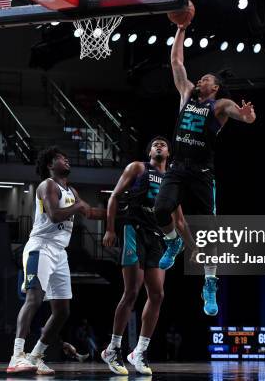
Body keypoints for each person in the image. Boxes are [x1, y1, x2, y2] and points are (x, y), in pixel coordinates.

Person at [153, 19, 256, 316]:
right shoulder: (186, 93)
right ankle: (173, 244)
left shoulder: (220, 105)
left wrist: (247, 116)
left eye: (206, 79)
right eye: (200, 79)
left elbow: (244, 118)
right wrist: (181, 29)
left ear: (217, 86)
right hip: (177, 168)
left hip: (200, 172)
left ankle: (210, 282)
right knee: (161, 210)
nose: (200, 81)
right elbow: (176, 61)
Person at [7, 147, 105, 375]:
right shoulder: (47, 185)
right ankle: (17, 356)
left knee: (62, 311)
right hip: (40, 246)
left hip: (60, 252)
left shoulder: (71, 190)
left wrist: (119, 211)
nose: (66, 159)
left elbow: (89, 212)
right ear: (51, 165)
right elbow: (53, 215)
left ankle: (36, 356)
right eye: (61, 158)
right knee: (34, 298)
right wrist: (78, 207)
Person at [100, 136, 190, 375]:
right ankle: (114, 348)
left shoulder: (173, 181)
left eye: (163, 144)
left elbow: (179, 220)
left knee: (158, 294)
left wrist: (193, 246)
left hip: (158, 238)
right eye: (154, 144)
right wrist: (110, 228)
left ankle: (139, 351)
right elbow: (114, 197)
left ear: (169, 153)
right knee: (132, 291)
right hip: (134, 230)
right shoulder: (138, 168)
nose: (159, 146)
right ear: (150, 151)